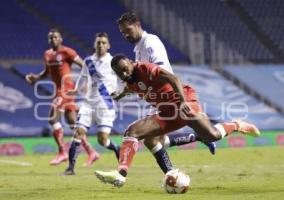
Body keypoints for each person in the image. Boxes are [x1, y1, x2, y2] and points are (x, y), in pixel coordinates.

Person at [94, 55, 260, 187]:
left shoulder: (145, 68)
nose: (124, 74)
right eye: (119, 73)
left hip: (182, 103)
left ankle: (237, 124)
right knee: (133, 132)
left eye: (125, 69)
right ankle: (121, 174)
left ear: (131, 62)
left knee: (212, 135)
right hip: (166, 112)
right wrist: (120, 95)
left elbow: (173, 79)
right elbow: (132, 87)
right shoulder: (129, 81)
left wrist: (182, 102)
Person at [115, 12, 216, 174]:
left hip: (169, 97)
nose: (126, 35)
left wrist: (142, 87)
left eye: (128, 30)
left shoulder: (150, 43)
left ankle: (172, 170)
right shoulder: (139, 49)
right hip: (158, 99)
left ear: (137, 25)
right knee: (153, 140)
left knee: (150, 139)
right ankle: (177, 167)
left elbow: (160, 73)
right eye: (122, 33)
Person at [25, 28, 99, 166]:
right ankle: (91, 152)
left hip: (66, 90)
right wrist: (36, 78)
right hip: (58, 90)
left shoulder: (67, 52)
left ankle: (62, 152)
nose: (53, 39)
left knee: (52, 119)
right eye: (51, 38)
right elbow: (47, 72)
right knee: (72, 123)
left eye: (56, 37)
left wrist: (85, 81)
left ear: (61, 39)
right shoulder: (47, 54)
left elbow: (84, 65)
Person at [62, 32, 120, 175]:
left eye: (103, 43)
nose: (100, 45)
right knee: (78, 133)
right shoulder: (88, 61)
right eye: (98, 42)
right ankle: (70, 169)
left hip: (105, 105)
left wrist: (119, 91)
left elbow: (122, 79)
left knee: (102, 140)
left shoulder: (114, 62)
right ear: (94, 44)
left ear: (108, 45)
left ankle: (117, 149)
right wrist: (75, 90)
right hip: (88, 104)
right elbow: (82, 78)